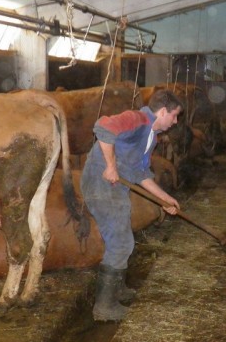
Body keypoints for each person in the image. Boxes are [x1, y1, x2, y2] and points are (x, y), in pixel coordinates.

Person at [80, 89, 183, 321]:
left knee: (124, 236)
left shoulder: (151, 136)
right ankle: (104, 308)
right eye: (174, 116)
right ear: (163, 111)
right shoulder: (138, 119)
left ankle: (117, 288)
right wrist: (110, 165)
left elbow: (140, 173)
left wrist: (164, 198)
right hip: (101, 183)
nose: (175, 122)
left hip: (117, 188)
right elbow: (103, 127)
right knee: (120, 241)